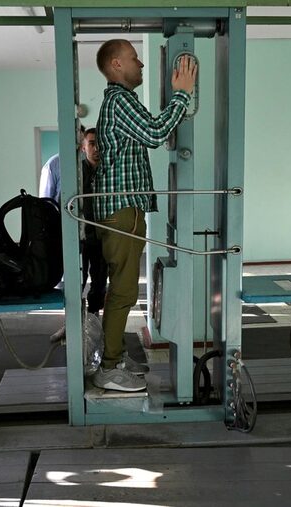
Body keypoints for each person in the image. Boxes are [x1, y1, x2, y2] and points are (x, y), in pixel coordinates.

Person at [91, 39, 196, 392]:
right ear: (117, 65)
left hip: (125, 209)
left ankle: (116, 357)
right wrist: (181, 94)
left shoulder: (122, 101)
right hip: (121, 210)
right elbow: (154, 133)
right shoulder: (119, 101)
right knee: (122, 291)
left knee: (123, 289)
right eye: (135, 58)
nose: (142, 64)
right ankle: (108, 368)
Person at [80, 127, 108, 315]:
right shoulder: (76, 173)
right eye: (91, 144)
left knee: (99, 279)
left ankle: (94, 316)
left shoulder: (109, 173)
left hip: (102, 234)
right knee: (77, 279)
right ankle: (73, 321)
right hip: (80, 234)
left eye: (99, 144)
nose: (96, 148)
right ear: (83, 147)